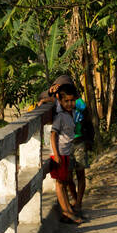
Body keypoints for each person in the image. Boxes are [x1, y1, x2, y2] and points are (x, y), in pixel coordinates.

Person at [49, 84, 82, 224]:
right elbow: (52, 135)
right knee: (60, 183)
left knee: (64, 181)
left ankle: (68, 211)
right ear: (60, 101)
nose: (69, 103)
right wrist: (56, 155)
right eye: (66, 101)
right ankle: (66, 212)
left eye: (71, 100)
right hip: (60, 153)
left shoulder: (72, 113)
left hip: (67, 152)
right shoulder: (60, 116)